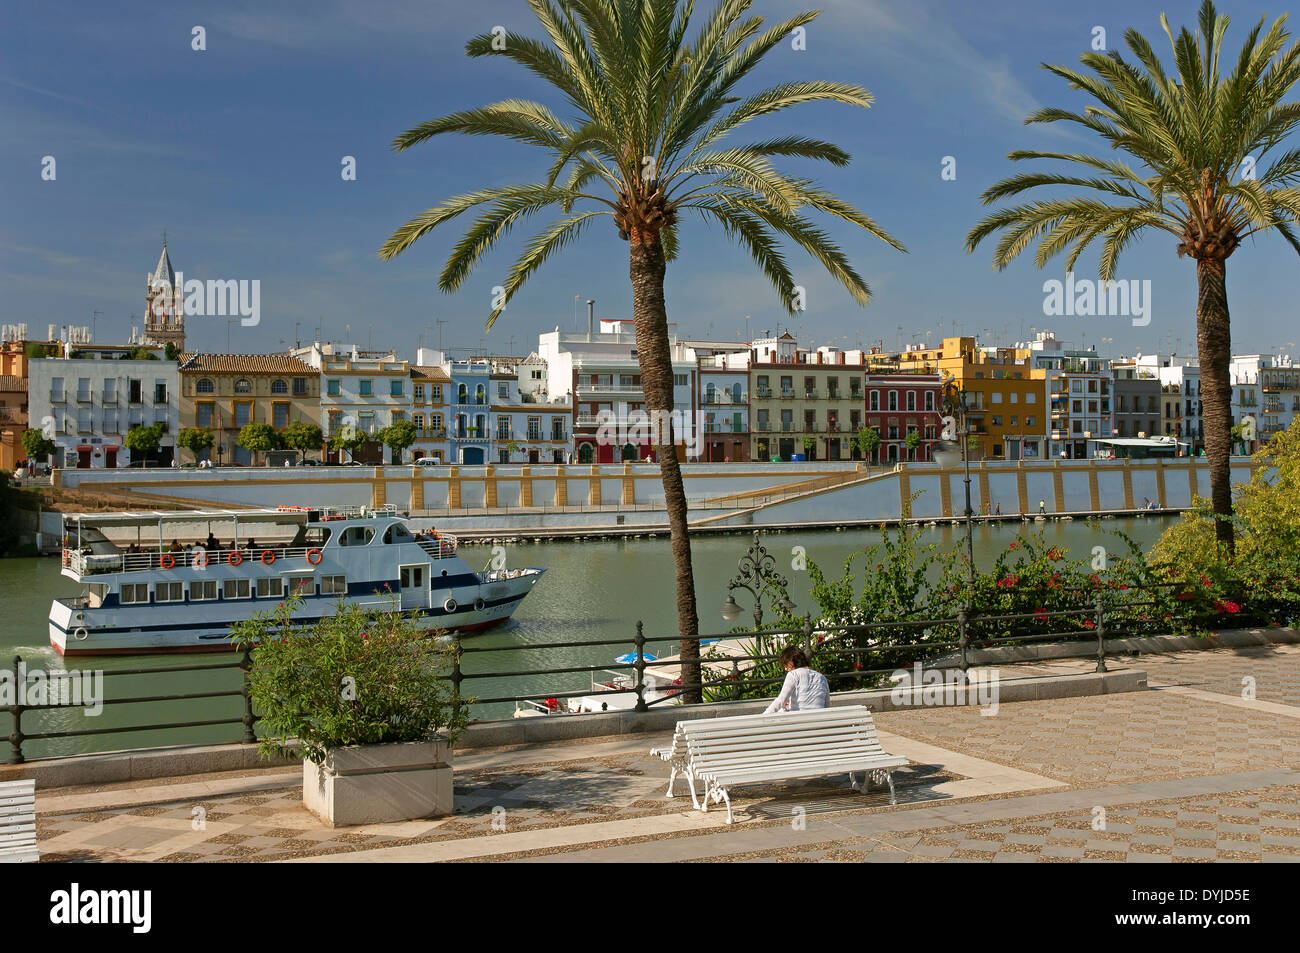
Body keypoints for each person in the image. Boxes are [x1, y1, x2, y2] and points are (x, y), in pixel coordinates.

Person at [764, 646, 829, 714]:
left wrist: (763, 716)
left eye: (786, 665)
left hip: (799, 720)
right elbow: (826, 705)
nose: (785, 669)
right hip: (819, 720)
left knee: (781, 710)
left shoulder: (793, 675)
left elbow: (780, 701)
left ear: (791, 661)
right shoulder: (822, 677)